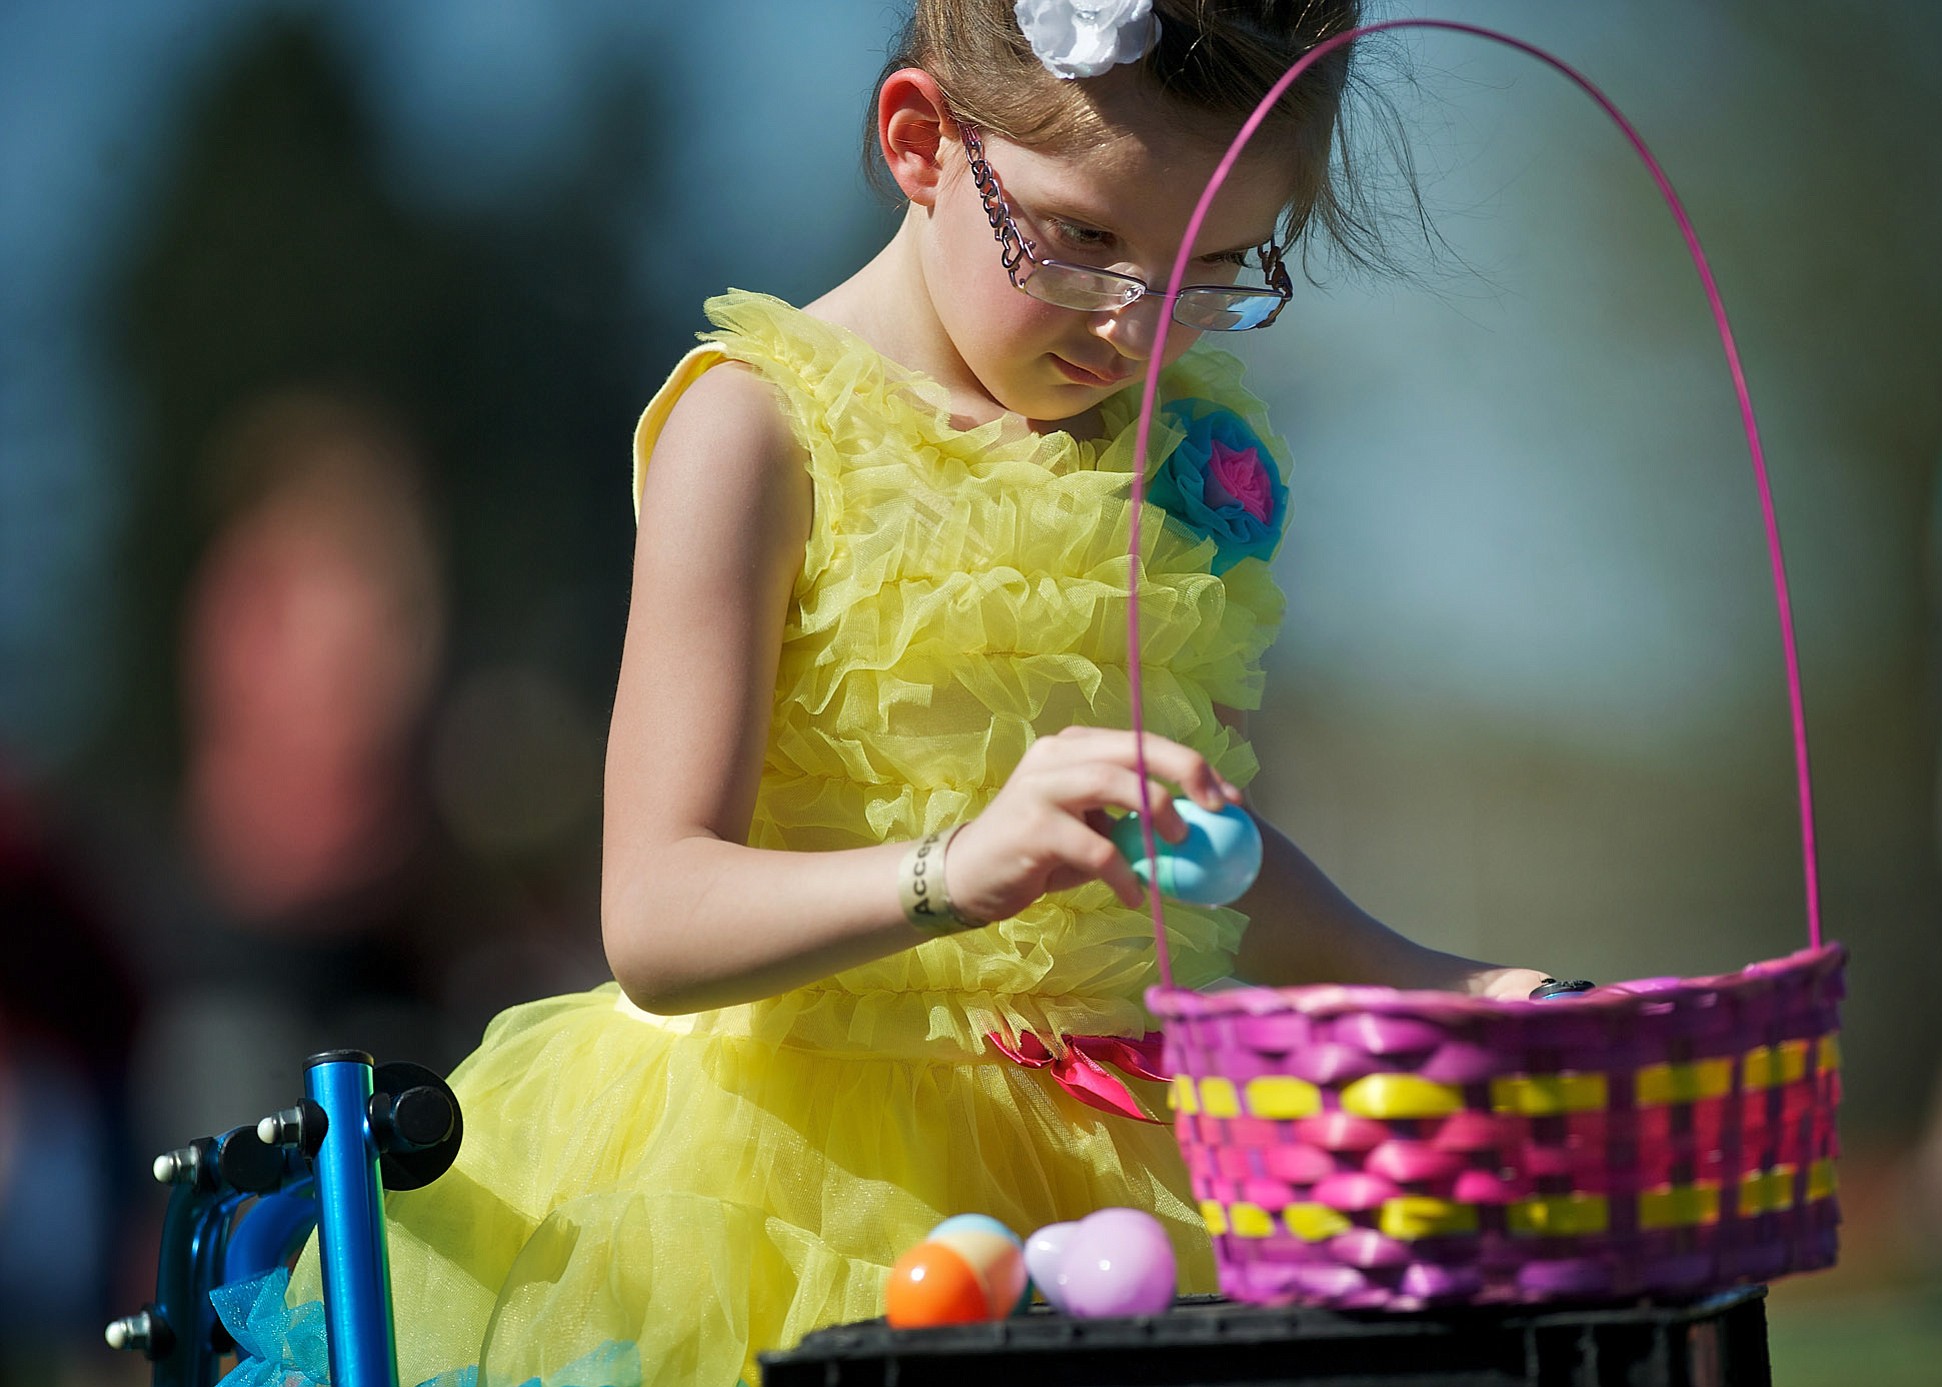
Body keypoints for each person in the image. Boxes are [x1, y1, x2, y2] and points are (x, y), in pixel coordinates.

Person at [266, 4, 1551, 1384]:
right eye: (1082, 240)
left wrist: (1444, 982)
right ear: (921, 142)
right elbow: (654, 917)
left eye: (1212, 269)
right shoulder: (756, 431)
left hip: (1124, 1175)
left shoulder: (1166, 452)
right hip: (790, 1179)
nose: (1132, 327)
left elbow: (1189, 850)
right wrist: (960, 868)